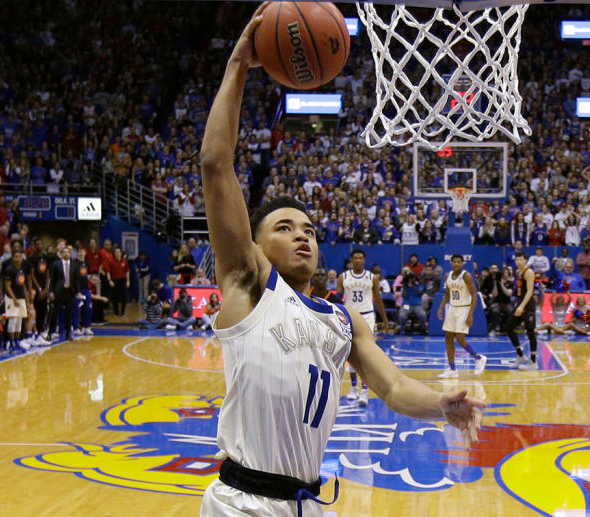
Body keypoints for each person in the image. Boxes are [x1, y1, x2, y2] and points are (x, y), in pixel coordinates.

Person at [199, 11, 484, 516]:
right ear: (257, 247)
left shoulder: (341, 321)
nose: (302, 236)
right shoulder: (249, 286)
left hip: (307, 503)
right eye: (284, 228)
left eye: (308, 229)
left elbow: (394, 387)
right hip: (243, 503)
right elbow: (216, 165)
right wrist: (239, 66)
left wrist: (441, 405)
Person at [338, 249, 390, 406]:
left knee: (365, 353)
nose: (358, 260)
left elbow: (378, 299)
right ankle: (353, 388)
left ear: (364, 260)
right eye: (355, 258)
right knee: (351, 352)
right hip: (349, 315)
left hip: (367, 316)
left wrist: (385, 319)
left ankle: (365, 390)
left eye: (361, 258)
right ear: (352, 260)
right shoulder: (343, 277)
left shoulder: (371, 277)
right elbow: (337, 299)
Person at [436, 254, 487, 378]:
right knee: (448, 338)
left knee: (460, 338)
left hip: (464, 308)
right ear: (451, 263)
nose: (456, 264)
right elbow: (448, 295)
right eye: (454, 262)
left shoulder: (466, 276)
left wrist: (470, 314)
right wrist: (441, 307)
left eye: (459, 262)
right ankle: (452, 369)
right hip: (452, 308)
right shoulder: (447, 276)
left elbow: (474, 295)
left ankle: (479, 358)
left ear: (463, 263)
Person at [507, 251, 539, 370]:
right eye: (517, 260)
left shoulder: (529, 272)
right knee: (509, 327)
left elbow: (530, 291)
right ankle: (520, 355)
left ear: (525, 260)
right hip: (520, 302)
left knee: (530, 331)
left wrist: (522, 306)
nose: (518, 262)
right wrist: (518, 303)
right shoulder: (517, 272)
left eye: (521, 259)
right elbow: (520, 290)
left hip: (528, 305)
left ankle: (533, 362)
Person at [48, 246, 77, 341]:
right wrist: (51, 291)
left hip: (70, 291)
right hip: (59, 291)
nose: (66, 253)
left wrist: (77, 291)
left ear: (70, 254)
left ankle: (68, 334)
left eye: (67, 252)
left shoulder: (74, 265)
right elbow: (53, 280)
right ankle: (50, 333)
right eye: (64, 252)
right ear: (61, 254)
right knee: (54, 313)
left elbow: (77, 279)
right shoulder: (56, 264)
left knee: (69, 314)